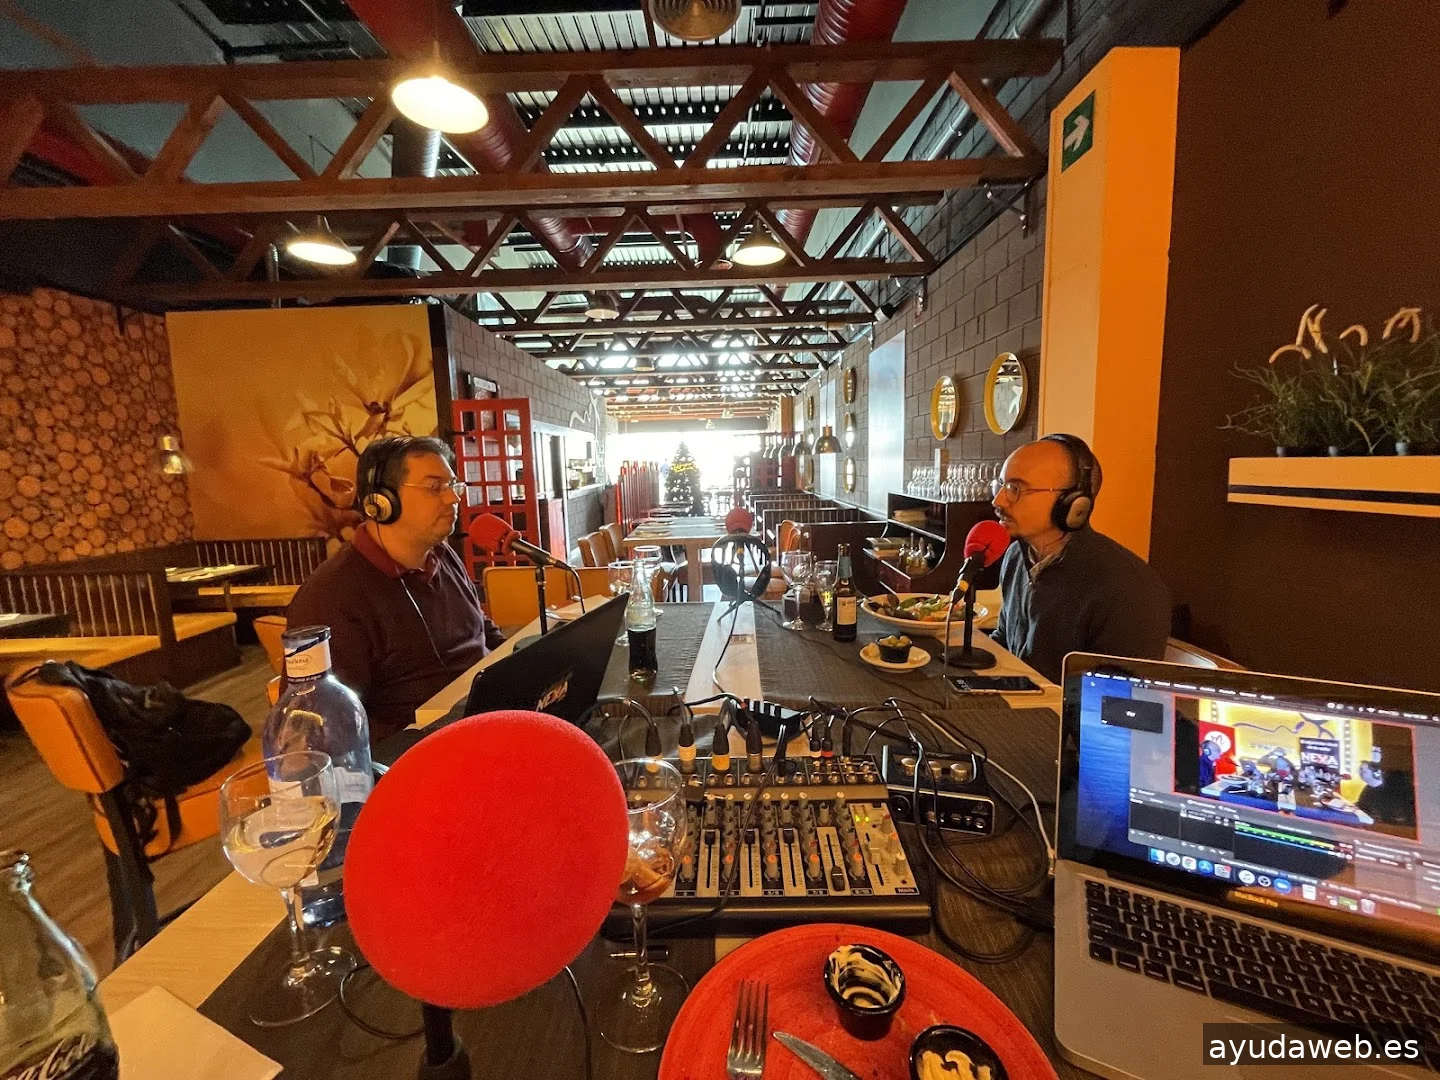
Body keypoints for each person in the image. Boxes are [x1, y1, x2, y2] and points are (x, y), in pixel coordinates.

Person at [286, 436, 504, 745]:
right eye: (434, 487)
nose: (453, 498)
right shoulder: (331, 597)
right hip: (416, 752)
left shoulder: (442, 555)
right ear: (381, 503)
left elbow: (482, 631)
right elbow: (322, 726)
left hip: (484, 721)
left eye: (453, 485)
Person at [988, 434, 1170, 683]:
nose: (998, 500)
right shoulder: (1016, 556)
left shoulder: (1130, 589)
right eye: (1001, 485)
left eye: (1015, 489)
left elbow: (1115, 698)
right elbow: (1004, 643)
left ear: (1074, 504)